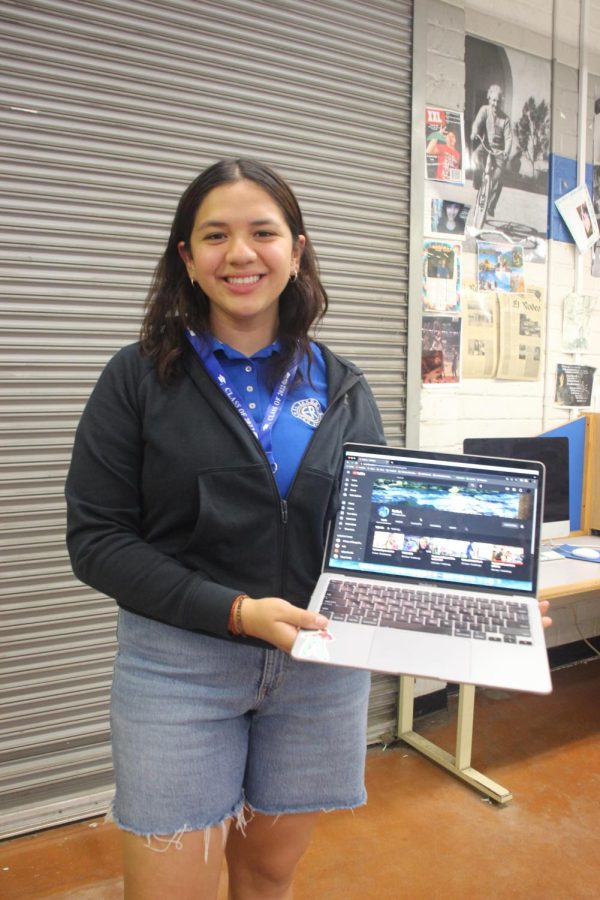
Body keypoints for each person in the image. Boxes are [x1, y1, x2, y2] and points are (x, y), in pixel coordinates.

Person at [65, 158, 386, 900]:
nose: (240, 254)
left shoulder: (341, 386)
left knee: (268, 875)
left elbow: (367, 533)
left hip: (315, 665)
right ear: (186, 257)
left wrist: (474, 599)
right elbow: (97, 540)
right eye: (215, 235)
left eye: (262, 232)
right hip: (180, 667)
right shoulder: (137, 379)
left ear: (297, 249)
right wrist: (236, 612)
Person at [470, 84, 512, 219]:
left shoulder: (505, 119)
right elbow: (477, 122)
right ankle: (478, 182)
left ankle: (491, 206)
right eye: (493, 100)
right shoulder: (484, 110)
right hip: (485, 146)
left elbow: (509, 137)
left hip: (498, 151)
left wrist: (506, 151)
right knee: (475, 157)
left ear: (501, 102)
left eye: (498, 101)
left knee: (499, 177)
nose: (495, 104)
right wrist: (474, 132)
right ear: (489, 99)